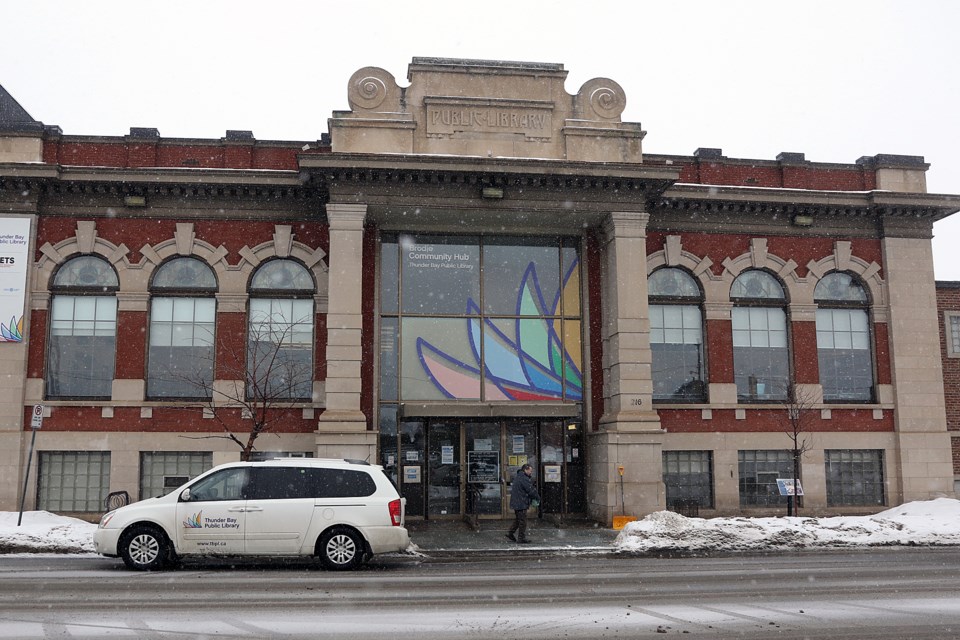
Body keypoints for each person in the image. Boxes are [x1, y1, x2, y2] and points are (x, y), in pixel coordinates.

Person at [506, 463, 540, 544]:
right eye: (530, 471)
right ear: (525, 469)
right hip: (521, 502)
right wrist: (537, 497)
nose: (531, 472)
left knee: (519, 519)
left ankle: (510, 533)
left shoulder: (519, 477)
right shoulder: (524, 478)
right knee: (523, 521)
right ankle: (521, 538)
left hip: (517, 501)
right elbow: (530, 490)